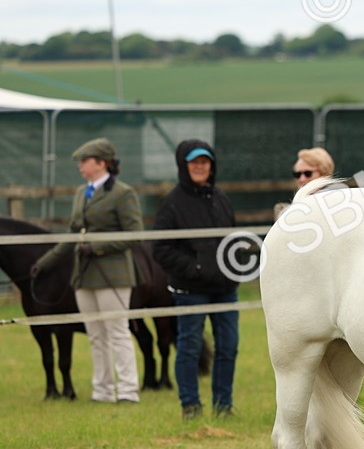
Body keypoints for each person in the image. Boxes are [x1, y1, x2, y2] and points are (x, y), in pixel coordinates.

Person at [31, 138, 143, 404]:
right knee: (95, 335)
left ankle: (127, 390)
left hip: (113, 275)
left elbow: (135, 235)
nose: (81, 166)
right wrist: (44, 262)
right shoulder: (82, 193)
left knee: (117, 331)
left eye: (85, 161)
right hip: (84, 275)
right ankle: (102, 390)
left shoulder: (123, 193)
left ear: (101, 163)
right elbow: (72, 234)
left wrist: (98, 247)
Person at [153, 139, 240, 421]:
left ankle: (223, 406)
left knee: (228, 346)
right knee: (189, 347)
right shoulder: (172, 203)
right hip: (190, 289)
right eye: (194, 162)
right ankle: (190, 406)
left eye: (205, 162)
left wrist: (237, 267)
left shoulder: (221, 199)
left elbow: (233, 240)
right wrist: (196, 267)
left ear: (212, 166)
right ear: (183, 165)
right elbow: (161, 249)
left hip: (225, 288)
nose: (200, 167)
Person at [276, 147, 335, 218]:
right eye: (297, 174)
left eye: (308, 173)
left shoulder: (334, 203)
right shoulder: (286, 212)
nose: (302, 179)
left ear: (324, 173)